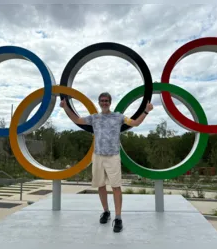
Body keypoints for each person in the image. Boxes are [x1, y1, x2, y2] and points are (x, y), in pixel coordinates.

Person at [60, 92, 153, 233]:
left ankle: (118, 218)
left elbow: (135, 123)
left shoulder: (118, 116)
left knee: (116, 187)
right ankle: (106, 212)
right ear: (99, 102)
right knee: (101, 186)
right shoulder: (94, 118)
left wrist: (146, 111)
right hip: (97, 156)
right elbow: (77, 120)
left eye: (107, 101)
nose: (104, 103)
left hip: (113, 156)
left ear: (110, 102)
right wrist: (65, 108)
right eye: (102, 101)